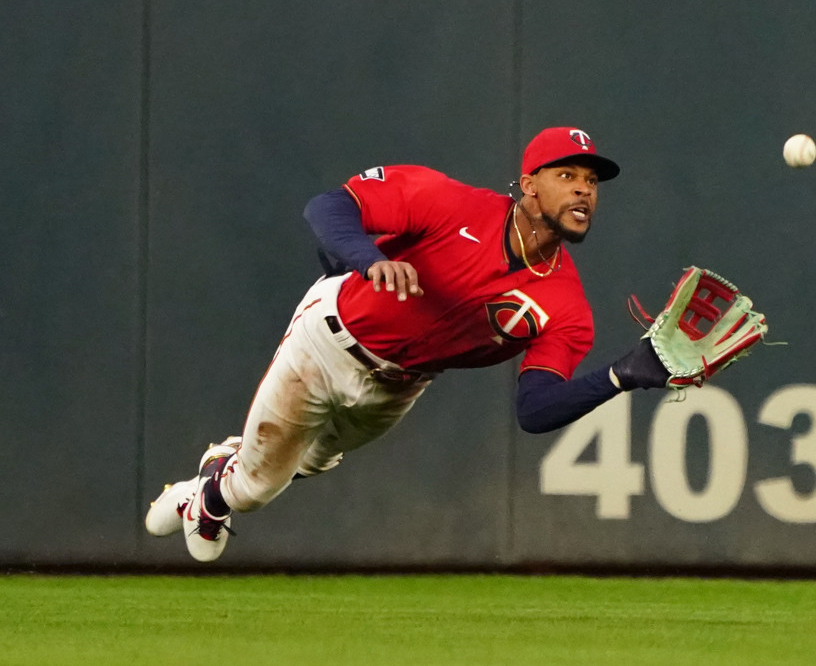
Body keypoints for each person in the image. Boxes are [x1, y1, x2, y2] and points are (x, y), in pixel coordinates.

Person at [145, 126, 673, 561]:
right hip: (330, 340)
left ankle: (232, 463)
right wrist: (368, 259)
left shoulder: (567, 307)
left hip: (395, 389)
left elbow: (534, 410)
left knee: (305, 464)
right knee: (257, 491)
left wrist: (619, 376)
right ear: (529, 185)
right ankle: (216, 492)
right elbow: (328, 207)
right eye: (567, 175)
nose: (584, 190)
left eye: (592, 182)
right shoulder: (451, 204)